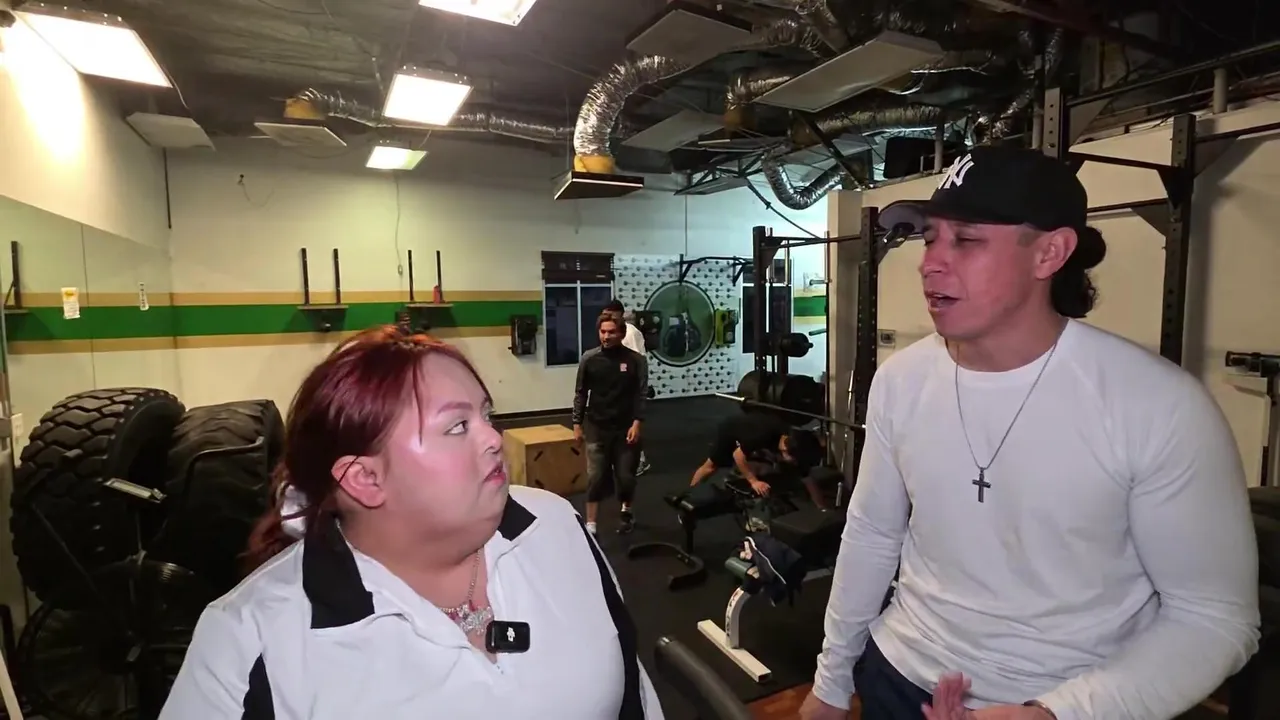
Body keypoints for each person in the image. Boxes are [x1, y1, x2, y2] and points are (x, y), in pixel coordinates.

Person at [801, 145, 1260, 720]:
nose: (930, 263)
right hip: (900, 675)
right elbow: (873, 534)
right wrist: (833, 679)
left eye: (966, 240)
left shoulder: (1159, 406)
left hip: (1074, 696)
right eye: (930, 238)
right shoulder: (900, 380)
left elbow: (1214, 617)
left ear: (1050, 252)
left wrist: (1054, 712)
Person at [160, 325, 665, 719]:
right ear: (365, 479)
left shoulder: (556, 524)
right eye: (458, 426)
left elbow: (633, 697)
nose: (494, 438)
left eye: (487, 415)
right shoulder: (248, 640)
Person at [574, 311, 648, 535]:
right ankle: (591, 524)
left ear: (622, 333)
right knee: (595, 477)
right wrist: (577, 423)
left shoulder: (636, 361)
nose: (606, 336)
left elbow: (641, 395)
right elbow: (581, 393)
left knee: (626, 477)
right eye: (603, 332)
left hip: (626, 428)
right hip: (597, 427)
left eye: (611, 332)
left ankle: (626, 511)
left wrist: (637, 422)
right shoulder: (589, 359)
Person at [689, 412, 826, 508]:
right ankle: (689, 499)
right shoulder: (762, 435)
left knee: (774, 468)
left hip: (756, 434)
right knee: (711, 467)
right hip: (731, 430)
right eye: (794, 459)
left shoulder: (795, 440)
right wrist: (753, 481)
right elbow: (738, 455)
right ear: (785, 450)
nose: (796, 462)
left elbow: (807, 477)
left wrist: (822, 508)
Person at [607, 299, 652, 476]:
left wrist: (639, 387)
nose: (606, 318)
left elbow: (638, 361)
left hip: (630, 387)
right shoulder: (612, 332)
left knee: (631, 425)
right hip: (616, 387)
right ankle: (622, 460)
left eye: (609, 314)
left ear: (619, 314)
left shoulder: (631, 333)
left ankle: (640, 461)